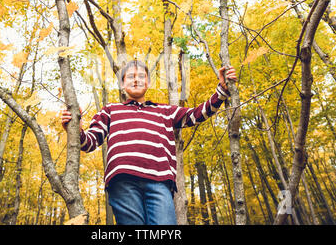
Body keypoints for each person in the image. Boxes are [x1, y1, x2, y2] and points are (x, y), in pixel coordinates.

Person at [61, 60, 237, 225]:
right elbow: (89, 143)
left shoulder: (165, 110)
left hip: (159, 180)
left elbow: (196, 115)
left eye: (141, 77)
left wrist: (221, 91)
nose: (136, 80)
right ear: (122, 85)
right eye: (130, 76)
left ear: (148, 83)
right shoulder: (110, 110)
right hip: (123, 179)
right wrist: (75, 128)